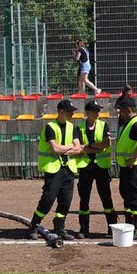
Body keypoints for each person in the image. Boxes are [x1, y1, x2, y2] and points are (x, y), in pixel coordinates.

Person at [28, 99, 82, 241]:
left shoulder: (72, 127)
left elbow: (78, 148)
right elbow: (55, 148)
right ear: (61, 112)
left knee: (66, 200)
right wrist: (70, 147)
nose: (72, 114)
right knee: (48, 198)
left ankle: (59, 227)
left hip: (68, 168)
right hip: (54, 168)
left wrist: (66, 149)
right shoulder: (50, 127)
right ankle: (34, 224)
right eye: (69, 111)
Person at [74, 99, 117, 238]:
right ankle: (84, 228)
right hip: (85, 166)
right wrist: (95, 147)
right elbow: (79, 148)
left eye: (98, 111)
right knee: (84, 198)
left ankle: (112, 226)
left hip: (101, 167)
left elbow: (106, 143)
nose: (98, 113)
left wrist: (89, 147)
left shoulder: (104, 125)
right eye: (95, 111)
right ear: (88, 112)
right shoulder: (79, 127)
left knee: (106, 197)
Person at [114, 89, 137, 240]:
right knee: (126, 193)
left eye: (121, 110)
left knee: (135, 195)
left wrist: (133, 158)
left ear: (128, 109)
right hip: (127, 166)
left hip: (135, 166)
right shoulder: (126, 122)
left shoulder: (136, 123)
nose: (119, 113)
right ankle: (130, 223)